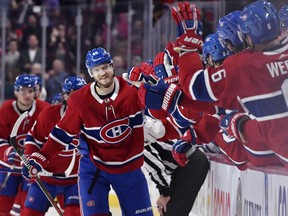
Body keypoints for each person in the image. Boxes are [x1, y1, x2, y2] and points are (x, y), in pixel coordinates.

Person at [140, 0, 288, 167]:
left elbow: (196, 87)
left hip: (273, 156)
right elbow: (227, 104)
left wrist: (188, 42)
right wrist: (178, 102)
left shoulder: (245, 65)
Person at [23, 47, 154, 215]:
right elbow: (62, 134)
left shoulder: (132, 89)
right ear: (91, 73)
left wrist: (154, 84)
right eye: (97, 69)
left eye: (105, 67)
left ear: (113, 67)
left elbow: (159, 109)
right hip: (95, 170)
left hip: (130, 168)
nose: (103, 73)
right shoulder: (79, 100)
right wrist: (41, 158)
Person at [21, 76, 86, 216]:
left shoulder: (93, 116)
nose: (75, 98)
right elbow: (33, 139)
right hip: (46, 177)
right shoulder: (48, 115)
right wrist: (29, 159)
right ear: (64, 95)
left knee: (74, 213)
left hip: (76, 180)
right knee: (29, 214)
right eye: (70, 93)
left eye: (79, 93)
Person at [0, 74, 49, 215]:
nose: (26, 94)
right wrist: (7, 152)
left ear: (36, 92)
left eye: (30, 91)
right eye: (22, 90)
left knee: (27, 208)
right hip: (8, 167)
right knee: (2, 207)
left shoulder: (44, 109)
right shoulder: (6, 109)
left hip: (32, 168)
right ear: (16, 91)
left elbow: (50, 140)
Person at [143, 116, 210, 216]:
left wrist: (165, 193)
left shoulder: (137, 140)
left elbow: (156, 169)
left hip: (191, 163)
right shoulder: (142, 125)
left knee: (171, 212)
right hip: (188, 162)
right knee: (170, 210)